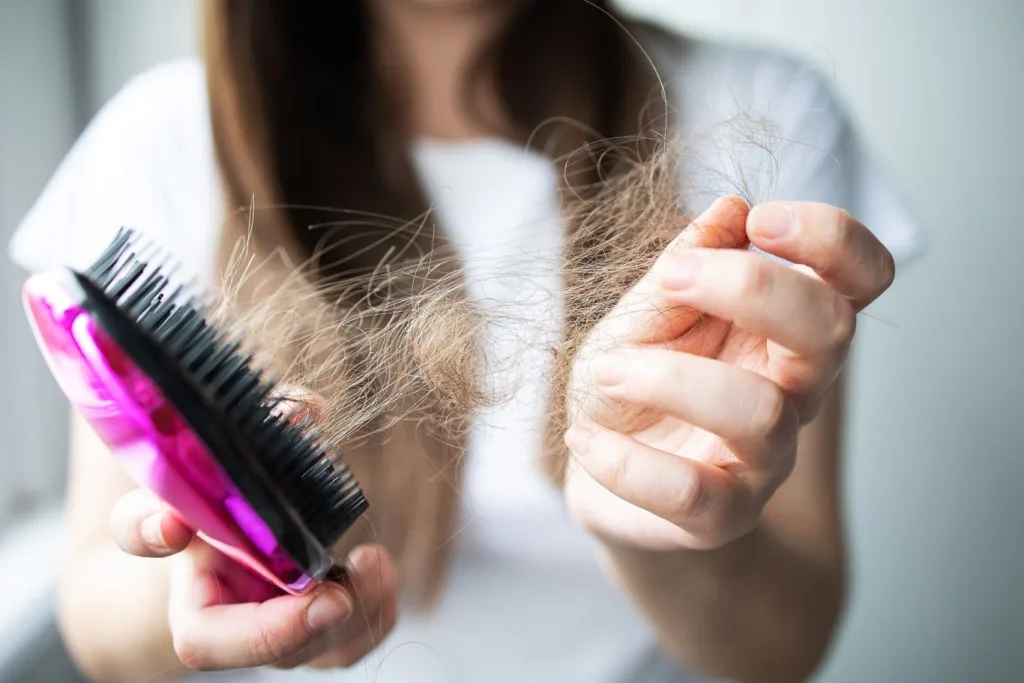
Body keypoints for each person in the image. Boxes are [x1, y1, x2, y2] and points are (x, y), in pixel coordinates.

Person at [9, 1, 923, 682]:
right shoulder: (162, 137)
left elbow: (781, 648)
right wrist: (214, 565)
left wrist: (652, 520)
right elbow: (97, 623)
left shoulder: (759, 110)